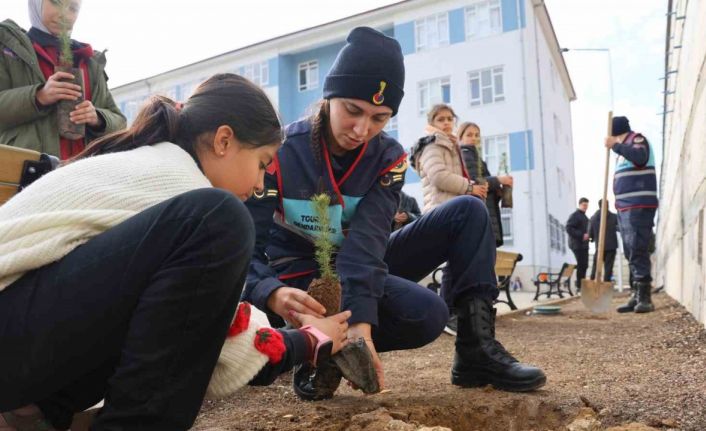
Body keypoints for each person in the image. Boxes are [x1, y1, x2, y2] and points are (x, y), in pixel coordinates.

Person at [0, 74, 350, 431]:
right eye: (262, 163)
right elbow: (227, 339)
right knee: (223, 219)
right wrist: (312, 339)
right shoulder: (176, 182)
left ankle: (39, 412)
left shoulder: (156, 169)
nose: (261, 184)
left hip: (18, 334)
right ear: (224, 141)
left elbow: (193, 330)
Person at [244, 27, 546, 402]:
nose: (362, 130)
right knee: (290, 293)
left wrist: (361, 328)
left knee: (465, 218)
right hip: (299, 280)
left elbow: (367, 245)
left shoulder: (388, 159)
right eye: (352, 111)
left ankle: (476, 353)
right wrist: (271, 293)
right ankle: (316, 349)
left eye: (379, 118)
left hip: (358, 262)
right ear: (329, 96)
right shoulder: (280, 152)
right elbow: (245, 248)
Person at [0, 0, 126, 159]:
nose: (63, 14)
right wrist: (39, 96)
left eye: (73, 8)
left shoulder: (89, 61)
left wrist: (97, 118)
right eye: (55, 2)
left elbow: (120, 123)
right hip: (27, 175)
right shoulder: (7, 48)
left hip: (85, 176)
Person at [607, 116, 658, 313]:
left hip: (639, 204)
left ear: (617, 133)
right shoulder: (622, 151)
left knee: (637, 248)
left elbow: (640, 158)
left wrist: (615, 146)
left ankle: (645, 298)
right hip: (626, 207)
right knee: (630, 251)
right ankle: (636, 294)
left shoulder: (636, 140)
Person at [457, 121, 513, 247]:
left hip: (485, 211)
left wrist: (499, 191)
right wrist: (499, 180)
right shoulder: (465, 154)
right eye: (469, 135)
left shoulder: (477, 158)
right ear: (460, 137)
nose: (474, 138)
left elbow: (485, 188)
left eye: (477, 135)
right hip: (478, 214)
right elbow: (474, 183)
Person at [589, 199, 619, 283]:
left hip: (599, 246)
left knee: (596, 266)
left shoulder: (593, 218)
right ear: (608, 205)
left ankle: (592, 282)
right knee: (608, 267)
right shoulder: (614, 217)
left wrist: (592, 238)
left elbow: (590, 233)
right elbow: (620, 228)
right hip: (611, 246)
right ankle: (606, 283)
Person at [566, 197, 590, 291]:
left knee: (585, 265)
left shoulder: (585, 217)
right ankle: (579, 286)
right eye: (584, 205)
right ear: (579, 205)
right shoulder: (575, 215)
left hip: (584, 245)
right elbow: (568, 228)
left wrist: (590, 237)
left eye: (587, 206)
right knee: (581, 264)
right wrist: (581, 235)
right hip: (577, 244)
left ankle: (582, 285)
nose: (585, 207)